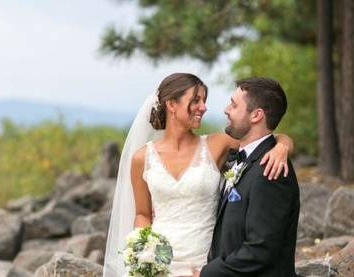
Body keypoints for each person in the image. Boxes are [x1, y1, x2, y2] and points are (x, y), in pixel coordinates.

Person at [103, 73, 294, 277]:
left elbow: (264, 137)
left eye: (204, 100)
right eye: (196, 100)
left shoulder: (217, 144)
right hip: (158, 262)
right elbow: (142, 214)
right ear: (171, 105)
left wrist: (282, 147)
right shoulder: (142, 158)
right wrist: (144, 250)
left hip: (204, 261)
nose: (203, 107)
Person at [197, 77, 300, 277]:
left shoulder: (272, 170)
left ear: (256, 115)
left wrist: (208, 273)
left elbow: (261, 249)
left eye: (234, 105)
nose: (226, 110)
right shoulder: (243, 158)